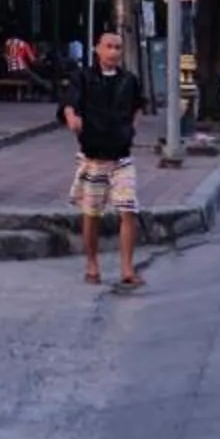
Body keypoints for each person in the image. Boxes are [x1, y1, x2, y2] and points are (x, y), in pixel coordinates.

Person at [60, 29, 146, 289]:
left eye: (118, 47)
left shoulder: (129, 80)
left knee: (128, 210)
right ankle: (92, 264)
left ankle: (127, 268)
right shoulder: (83, 78)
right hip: (93, 157)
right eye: (108, 46)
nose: (113, 52)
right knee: (91, 214)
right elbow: (69, 104)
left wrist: (131, 129)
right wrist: (72, 119)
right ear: (97, 49)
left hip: (121, 156)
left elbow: (138, 106)